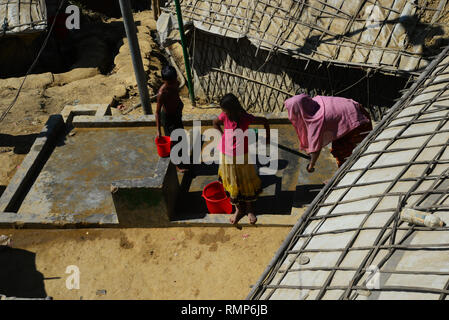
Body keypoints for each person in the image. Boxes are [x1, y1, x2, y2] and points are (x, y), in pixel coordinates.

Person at [213, 93, 270, 225]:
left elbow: (264, 121)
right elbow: (215, 123)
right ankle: (238, 210)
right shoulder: (225, 116)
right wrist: (223, 136)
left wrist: (267, 137)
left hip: (242, 157)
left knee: (245, 182)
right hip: (227, 157)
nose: (223, 112)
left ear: (232, 109)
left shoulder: (245, 118)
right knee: (234, 183)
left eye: (225, 110)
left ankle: (249, 209)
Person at [285, 94, 373, 172]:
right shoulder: (317, 101)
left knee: (342, 151)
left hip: (358, 124)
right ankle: (345, 170)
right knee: (341, 146)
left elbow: (315, 148)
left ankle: (344, 175)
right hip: (359, 112)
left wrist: (311, 165)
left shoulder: (316, 121)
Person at [156, 65, 188, 172]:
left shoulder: (176, 84)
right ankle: (177, 165)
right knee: (173, 141)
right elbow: (157, 113)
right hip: (168, 118)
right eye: (169, 83)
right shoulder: (162, 93)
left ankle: (182, 158)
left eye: (173, 81)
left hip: (176, 114)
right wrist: (158, 130)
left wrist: (180, 105)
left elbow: (176, 96)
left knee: (181, 136)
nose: (172, 84)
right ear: (164, 81)